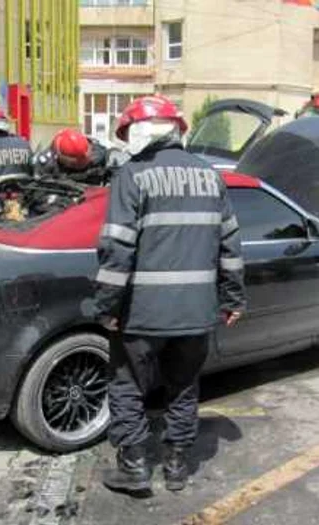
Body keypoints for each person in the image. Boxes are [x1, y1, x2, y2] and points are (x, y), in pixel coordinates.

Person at [93, 95, 246, 495]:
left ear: (139, 133)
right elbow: (229, 245)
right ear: (175, 129)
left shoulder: (132, 174)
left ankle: (134, 467)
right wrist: (232, 299)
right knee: (183, 387)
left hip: (141, 314)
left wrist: (107, 306)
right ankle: (177, 467)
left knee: (127, 387)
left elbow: (117, 248)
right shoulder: (210, 176)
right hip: (196, 313)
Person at [33, 128, 111, 185]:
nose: (81, 166)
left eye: (85, 161)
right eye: (75, 164)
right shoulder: (45, 164)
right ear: (59, 156)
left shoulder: (100, 153)